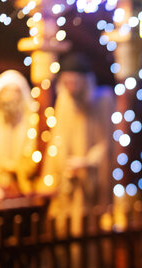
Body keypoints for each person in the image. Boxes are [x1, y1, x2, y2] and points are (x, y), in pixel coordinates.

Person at [39, 52, 114, 234]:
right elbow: (57, 141)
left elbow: (107, 143)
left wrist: (87, 162)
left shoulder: (102, 101)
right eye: (67, 82)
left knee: (89, 228)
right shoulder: (63, 102)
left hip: (91, 183)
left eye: (75, 82)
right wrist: (57, 172)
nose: (71, 87)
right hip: (67, 181)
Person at [0, 69, 37, 196]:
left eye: (15, 91)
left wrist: (17, 168)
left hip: (20, 183)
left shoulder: (30, 120)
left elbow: (32, 152)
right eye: (7, 91)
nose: (11, 96)